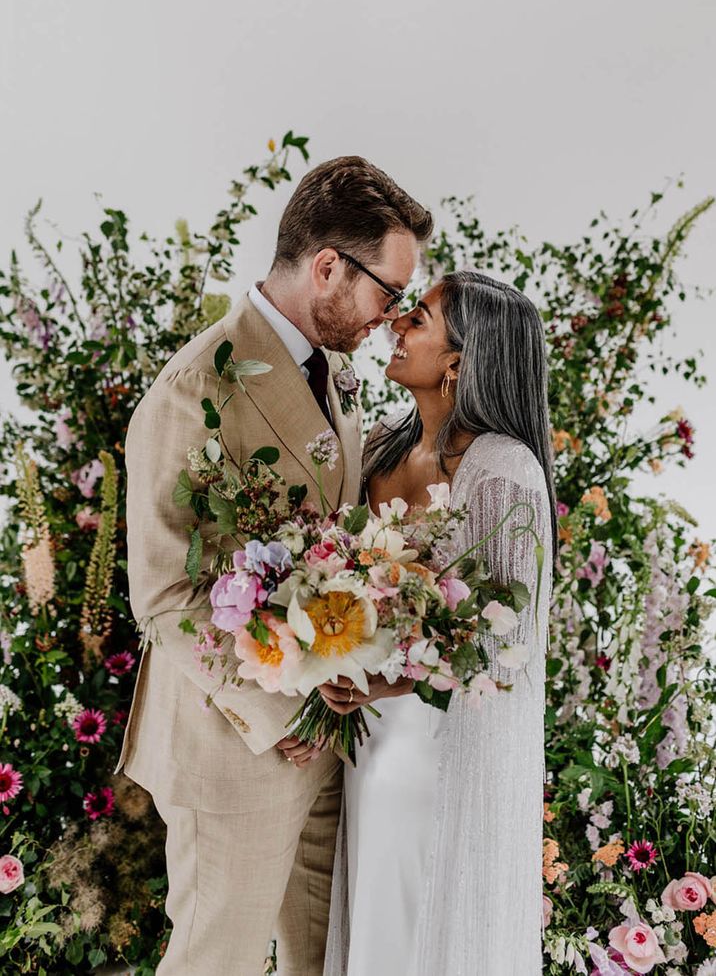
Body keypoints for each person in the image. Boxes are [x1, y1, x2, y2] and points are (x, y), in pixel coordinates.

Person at [115, 155, 432, 975]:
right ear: (328, 266)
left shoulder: (340, 375)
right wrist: (283, 703)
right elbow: (163, 592)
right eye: (387, 294)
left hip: (331, 736)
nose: (391, 318)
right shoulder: (193, 390)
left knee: (322, 960)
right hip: (236, 744)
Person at [320, 270, 557, 976]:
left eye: (417, 318)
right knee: (374, 923)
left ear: (459, 361)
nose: (396, 323)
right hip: (365, 742)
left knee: (416, 925)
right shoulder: (385, 445)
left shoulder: (503, 473)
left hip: (437, 748)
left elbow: (500, 645)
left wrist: (383, 685)